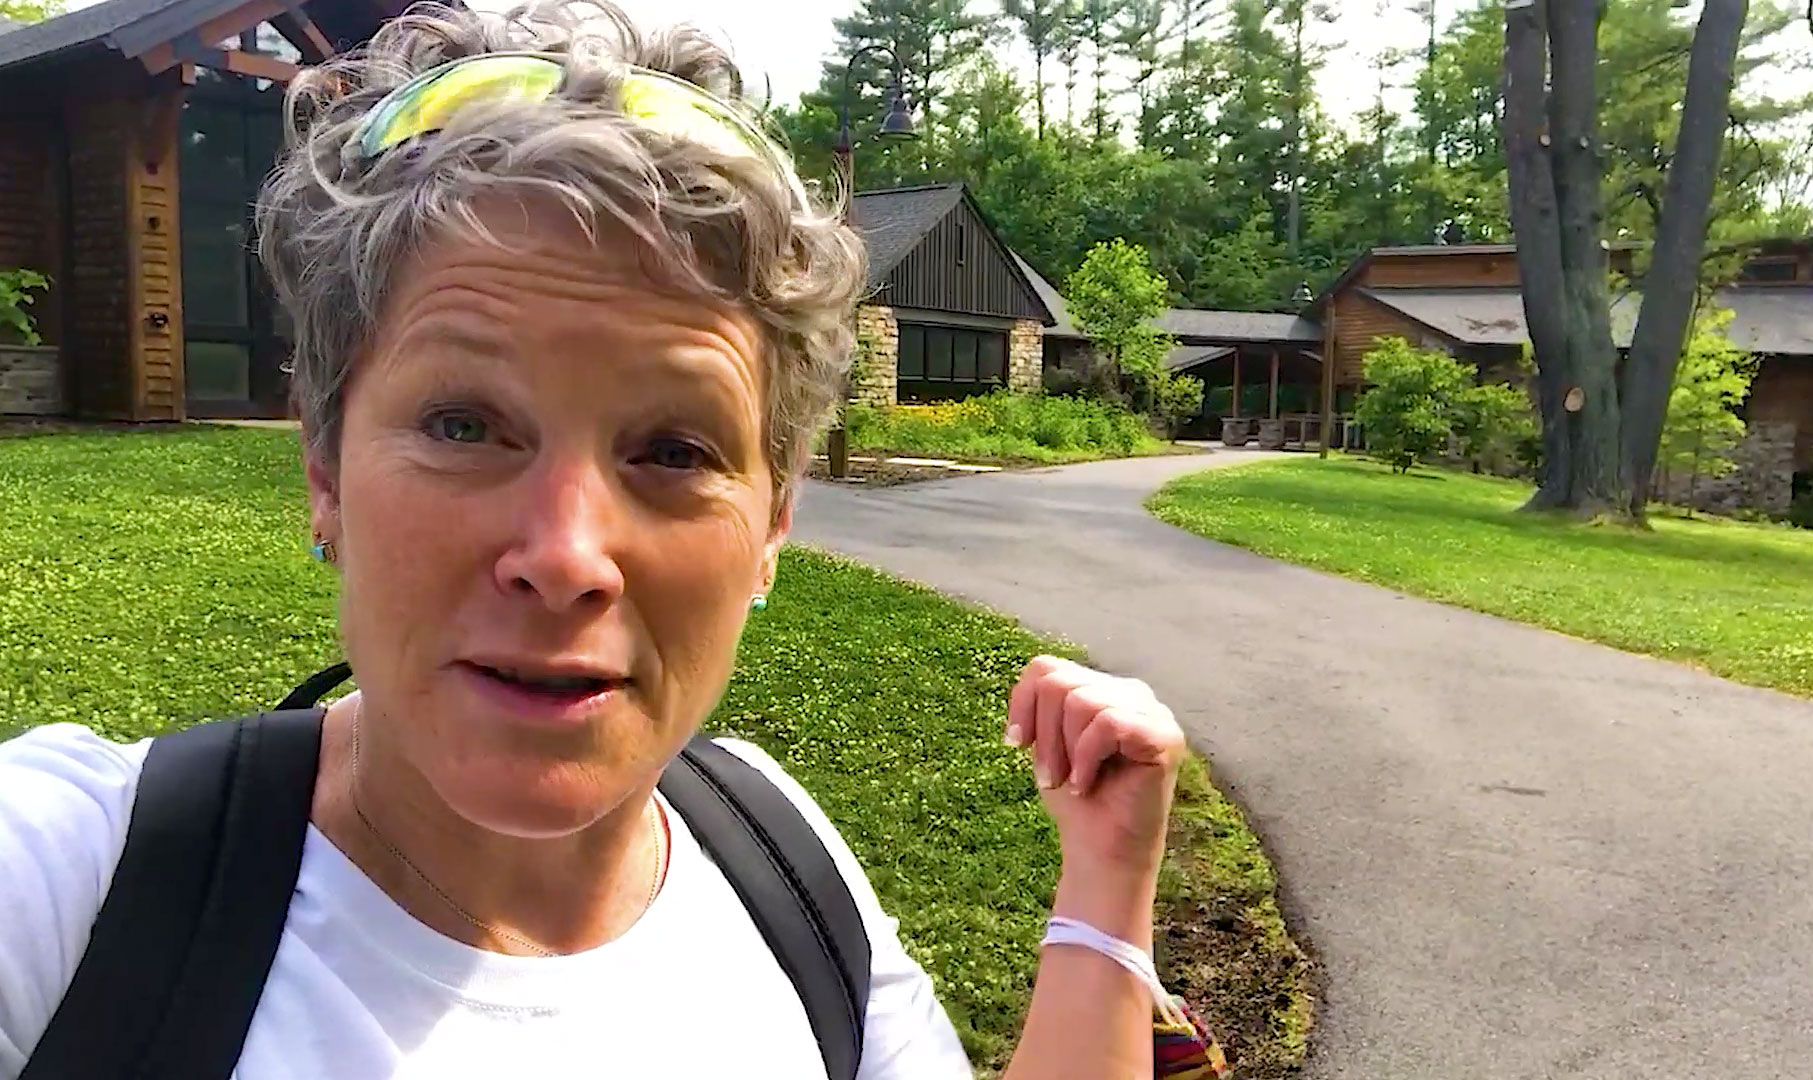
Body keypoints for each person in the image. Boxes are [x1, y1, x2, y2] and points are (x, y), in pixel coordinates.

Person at [0, 1, 1194, 1077]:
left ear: (773, 523)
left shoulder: (783, 865)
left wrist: (1105, 882)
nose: (566, 555)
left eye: (673, 450)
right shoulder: (71, 886)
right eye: (464, 425)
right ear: (325, 469)